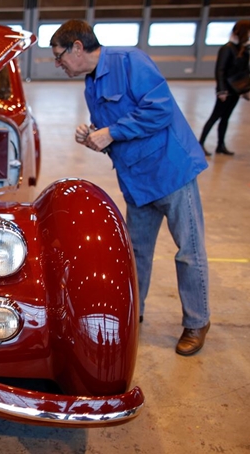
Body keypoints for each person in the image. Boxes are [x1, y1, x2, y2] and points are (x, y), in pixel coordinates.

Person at [50, 19, 211, 355]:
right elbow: (113, 133)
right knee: (136, 254)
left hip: (170, 170)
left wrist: (110, 133)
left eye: (59, 56)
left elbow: (160, 110)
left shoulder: (129, 61)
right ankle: (130, 316)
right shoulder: (91, 85)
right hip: (136, 181)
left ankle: (196, 322)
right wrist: (94, 138)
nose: (59, 64)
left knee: (188, 252)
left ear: (77, 47)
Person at [198, 20, 250, 156]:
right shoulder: (227, 49)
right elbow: (220, 71)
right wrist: (221, 90)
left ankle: (220, 145)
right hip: (226, 90)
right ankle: (200, 144)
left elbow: (245, 71)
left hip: (236, 90)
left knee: (226, 118)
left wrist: (246, 89)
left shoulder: (244, 49)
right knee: (214, 117)